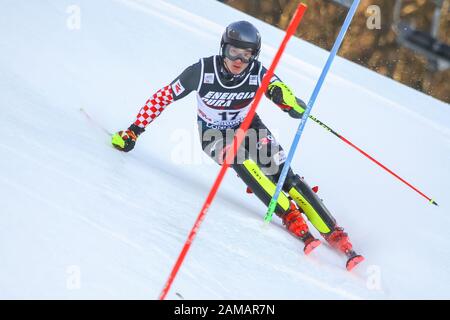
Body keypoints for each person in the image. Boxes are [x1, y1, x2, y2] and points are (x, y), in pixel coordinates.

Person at [111, 21, 363, 269]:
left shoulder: (258, 72)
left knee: (285, 176)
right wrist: (134, 130)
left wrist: (288, 102)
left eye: (247, 55)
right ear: (224, 48)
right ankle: (289, 215)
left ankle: (334, 232)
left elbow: (287, 97)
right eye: (233, 52)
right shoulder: (202, 70)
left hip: (249, 125)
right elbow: (163, 96)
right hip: (213, 133)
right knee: (237, 157)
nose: (239, 60)